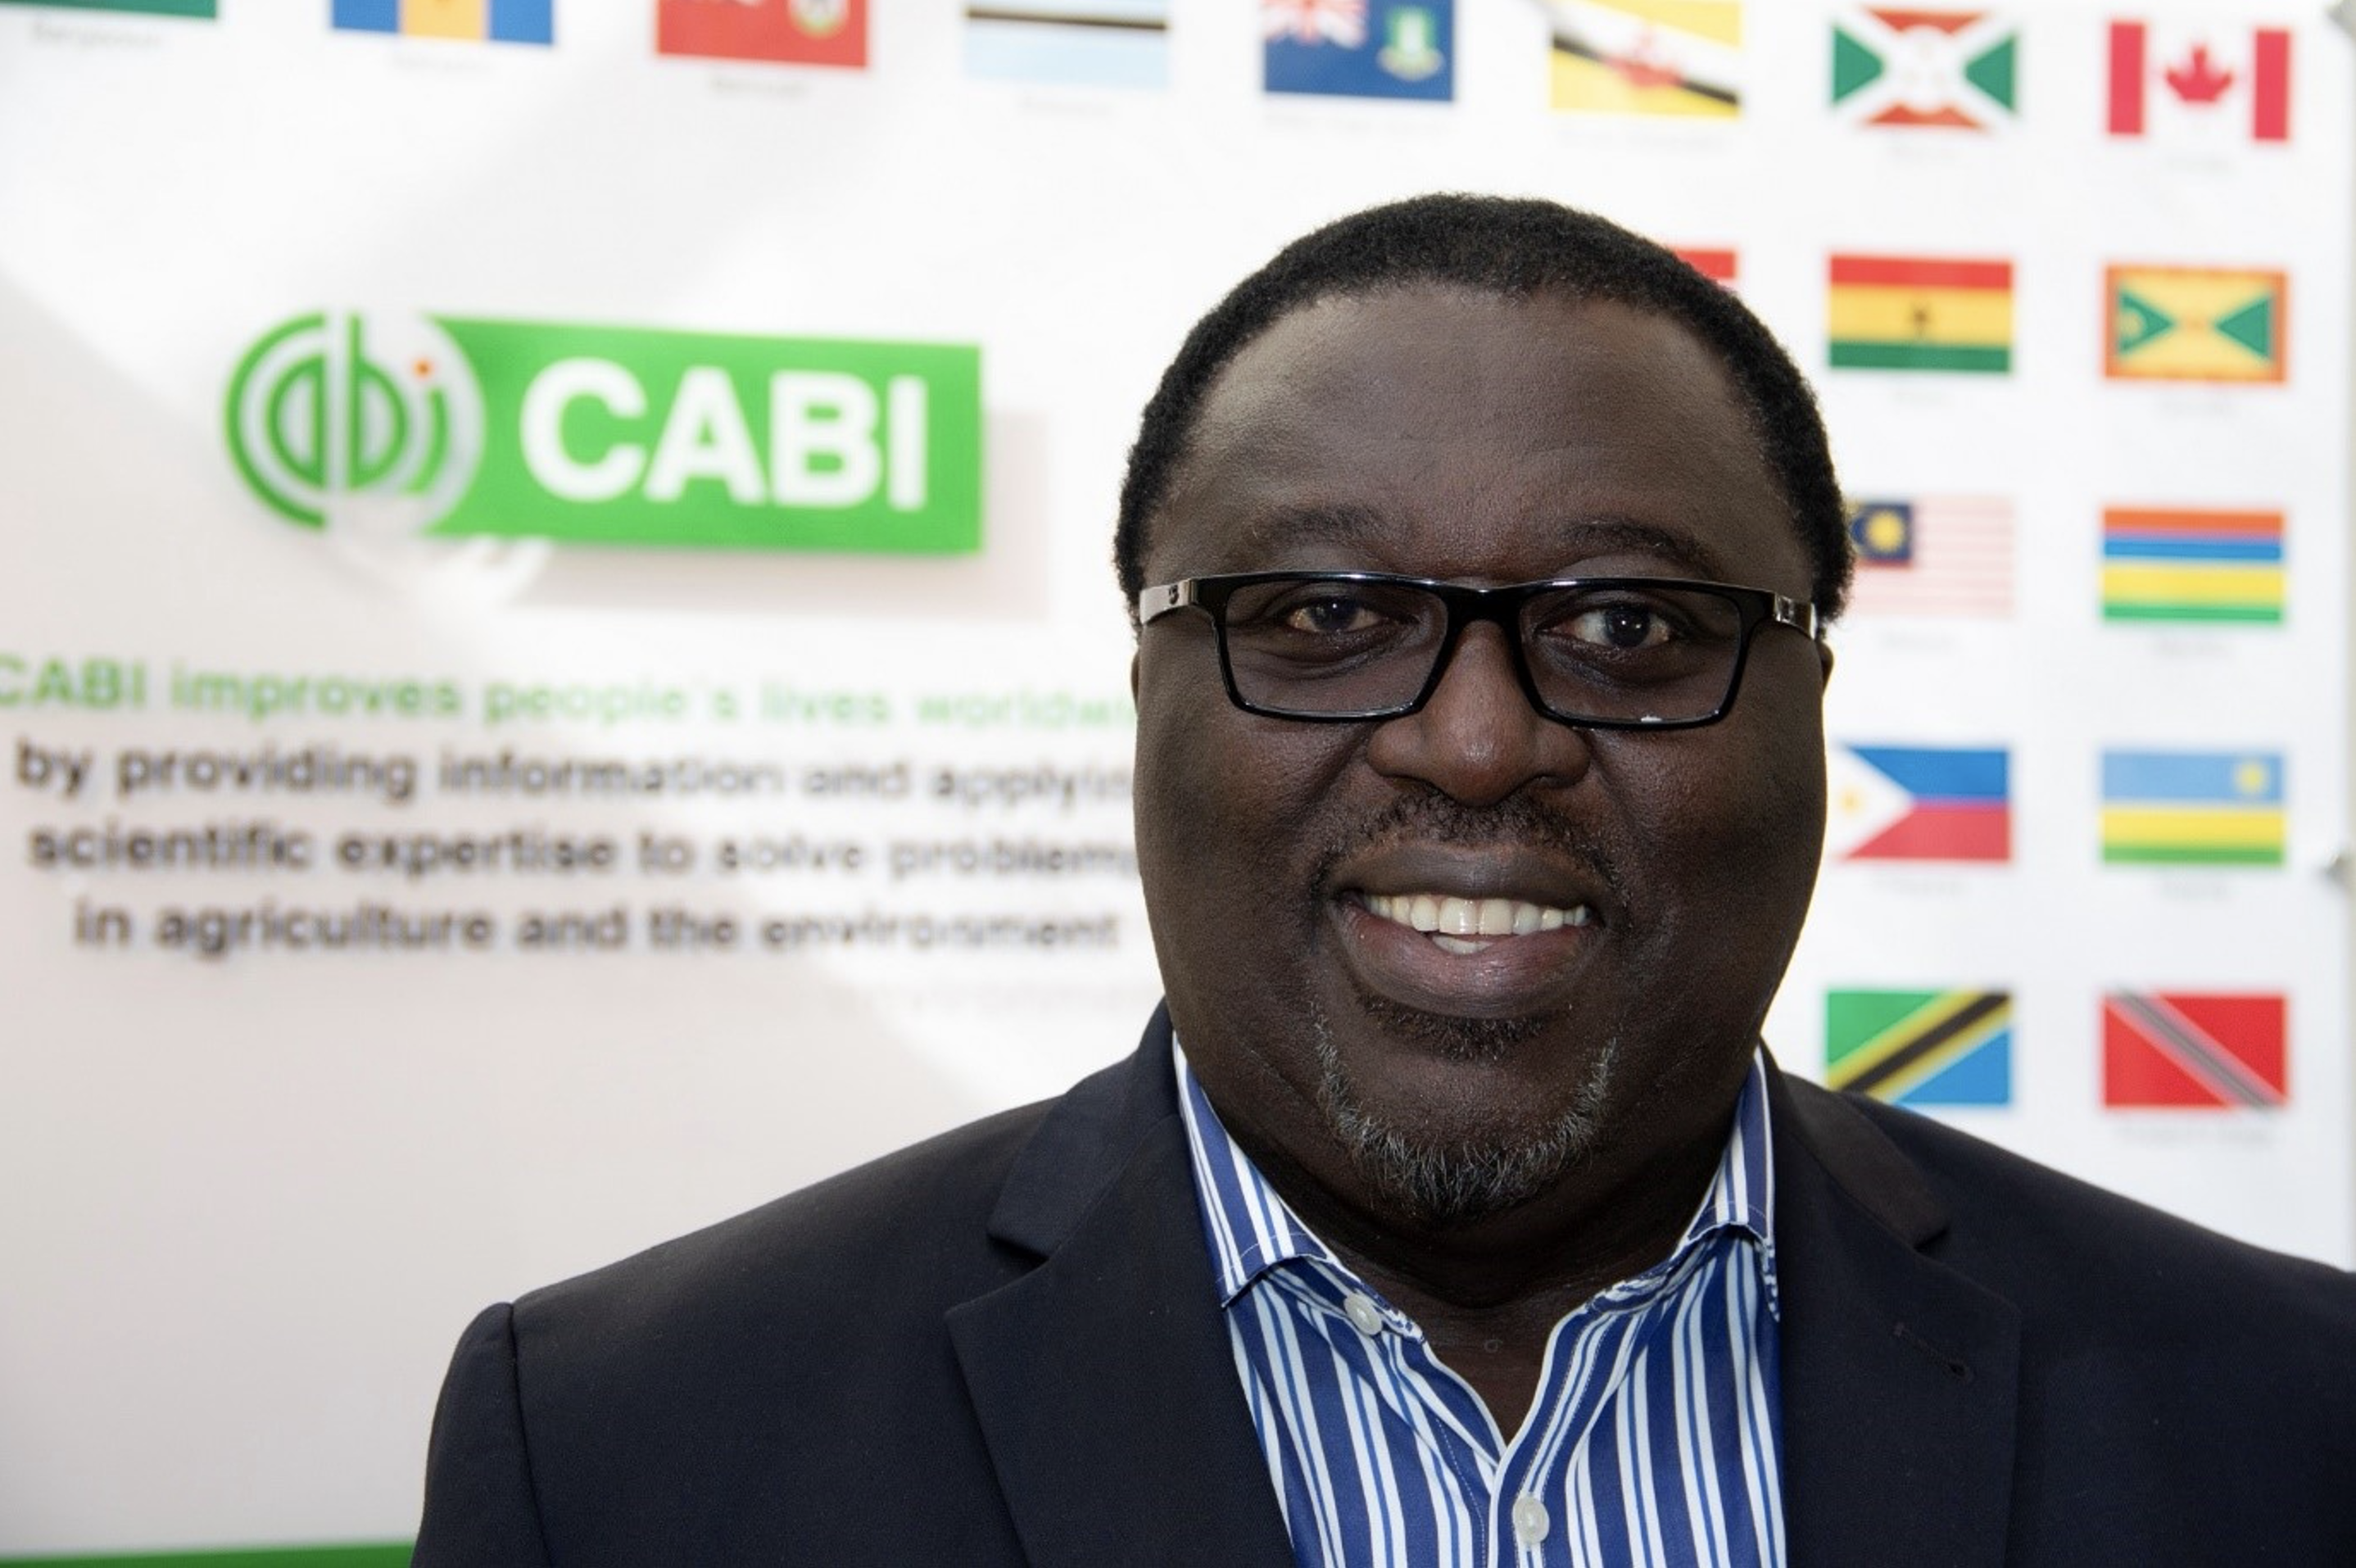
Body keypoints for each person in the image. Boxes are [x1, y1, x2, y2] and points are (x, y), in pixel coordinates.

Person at [412, 195, 2356, 1566]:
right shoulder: (619, 1451)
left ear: (1811, 710)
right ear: (1148, 694)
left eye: (1627, 626)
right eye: (1325, 617)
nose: (1476, 743)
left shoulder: (2290, 1420)